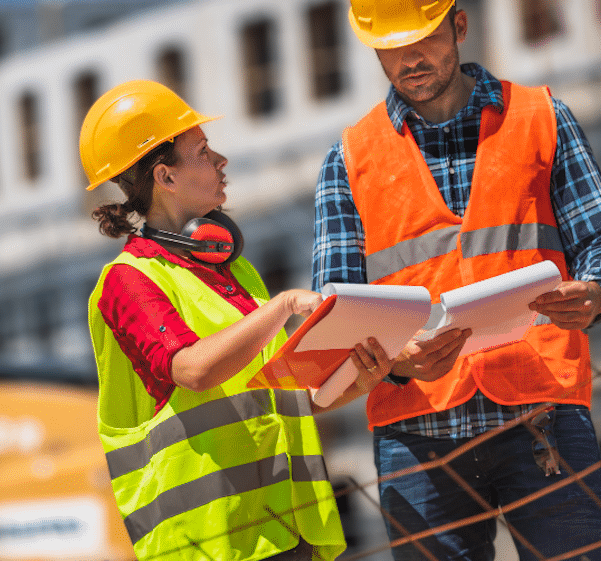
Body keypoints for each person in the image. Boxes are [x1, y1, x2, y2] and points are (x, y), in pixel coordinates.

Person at [312, 0, 601, 561]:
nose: (410, 59)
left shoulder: (542, 118)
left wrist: (596, 291)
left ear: (459, 25)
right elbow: (337, 322)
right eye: (391, 47)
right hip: (417, 434)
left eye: (425, 39)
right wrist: (399, 360)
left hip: (541, 411)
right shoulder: (347, 162)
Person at [81, 79, 388, 561]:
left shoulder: (233, 270)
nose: (221, 161)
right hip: (211, 542)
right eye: (203, 152)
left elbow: (276, 399)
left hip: (287, 529)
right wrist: (281, 306)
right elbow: (194, 370)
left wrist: (354, 382)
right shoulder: (128, 281)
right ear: (165, 177)